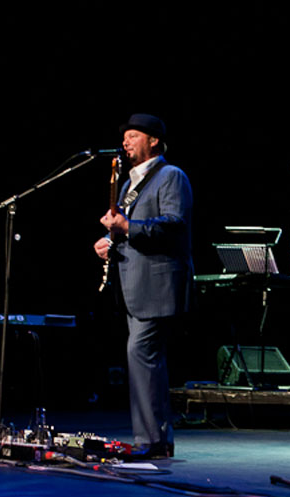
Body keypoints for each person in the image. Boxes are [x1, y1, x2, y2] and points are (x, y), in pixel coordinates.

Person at [94, 113, 193, 459]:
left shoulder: (170, 176)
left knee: (140, 354)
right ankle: (157, 440)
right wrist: (111, 240)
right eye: (125, 136)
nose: (126, 141)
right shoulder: (128, 184)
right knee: (146, 359)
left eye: (134, 135)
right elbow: (128, 228)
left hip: (158, 282)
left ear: (154, 141)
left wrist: (127, 227)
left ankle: (149, 440)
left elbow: (172, 224)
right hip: (135, 284)